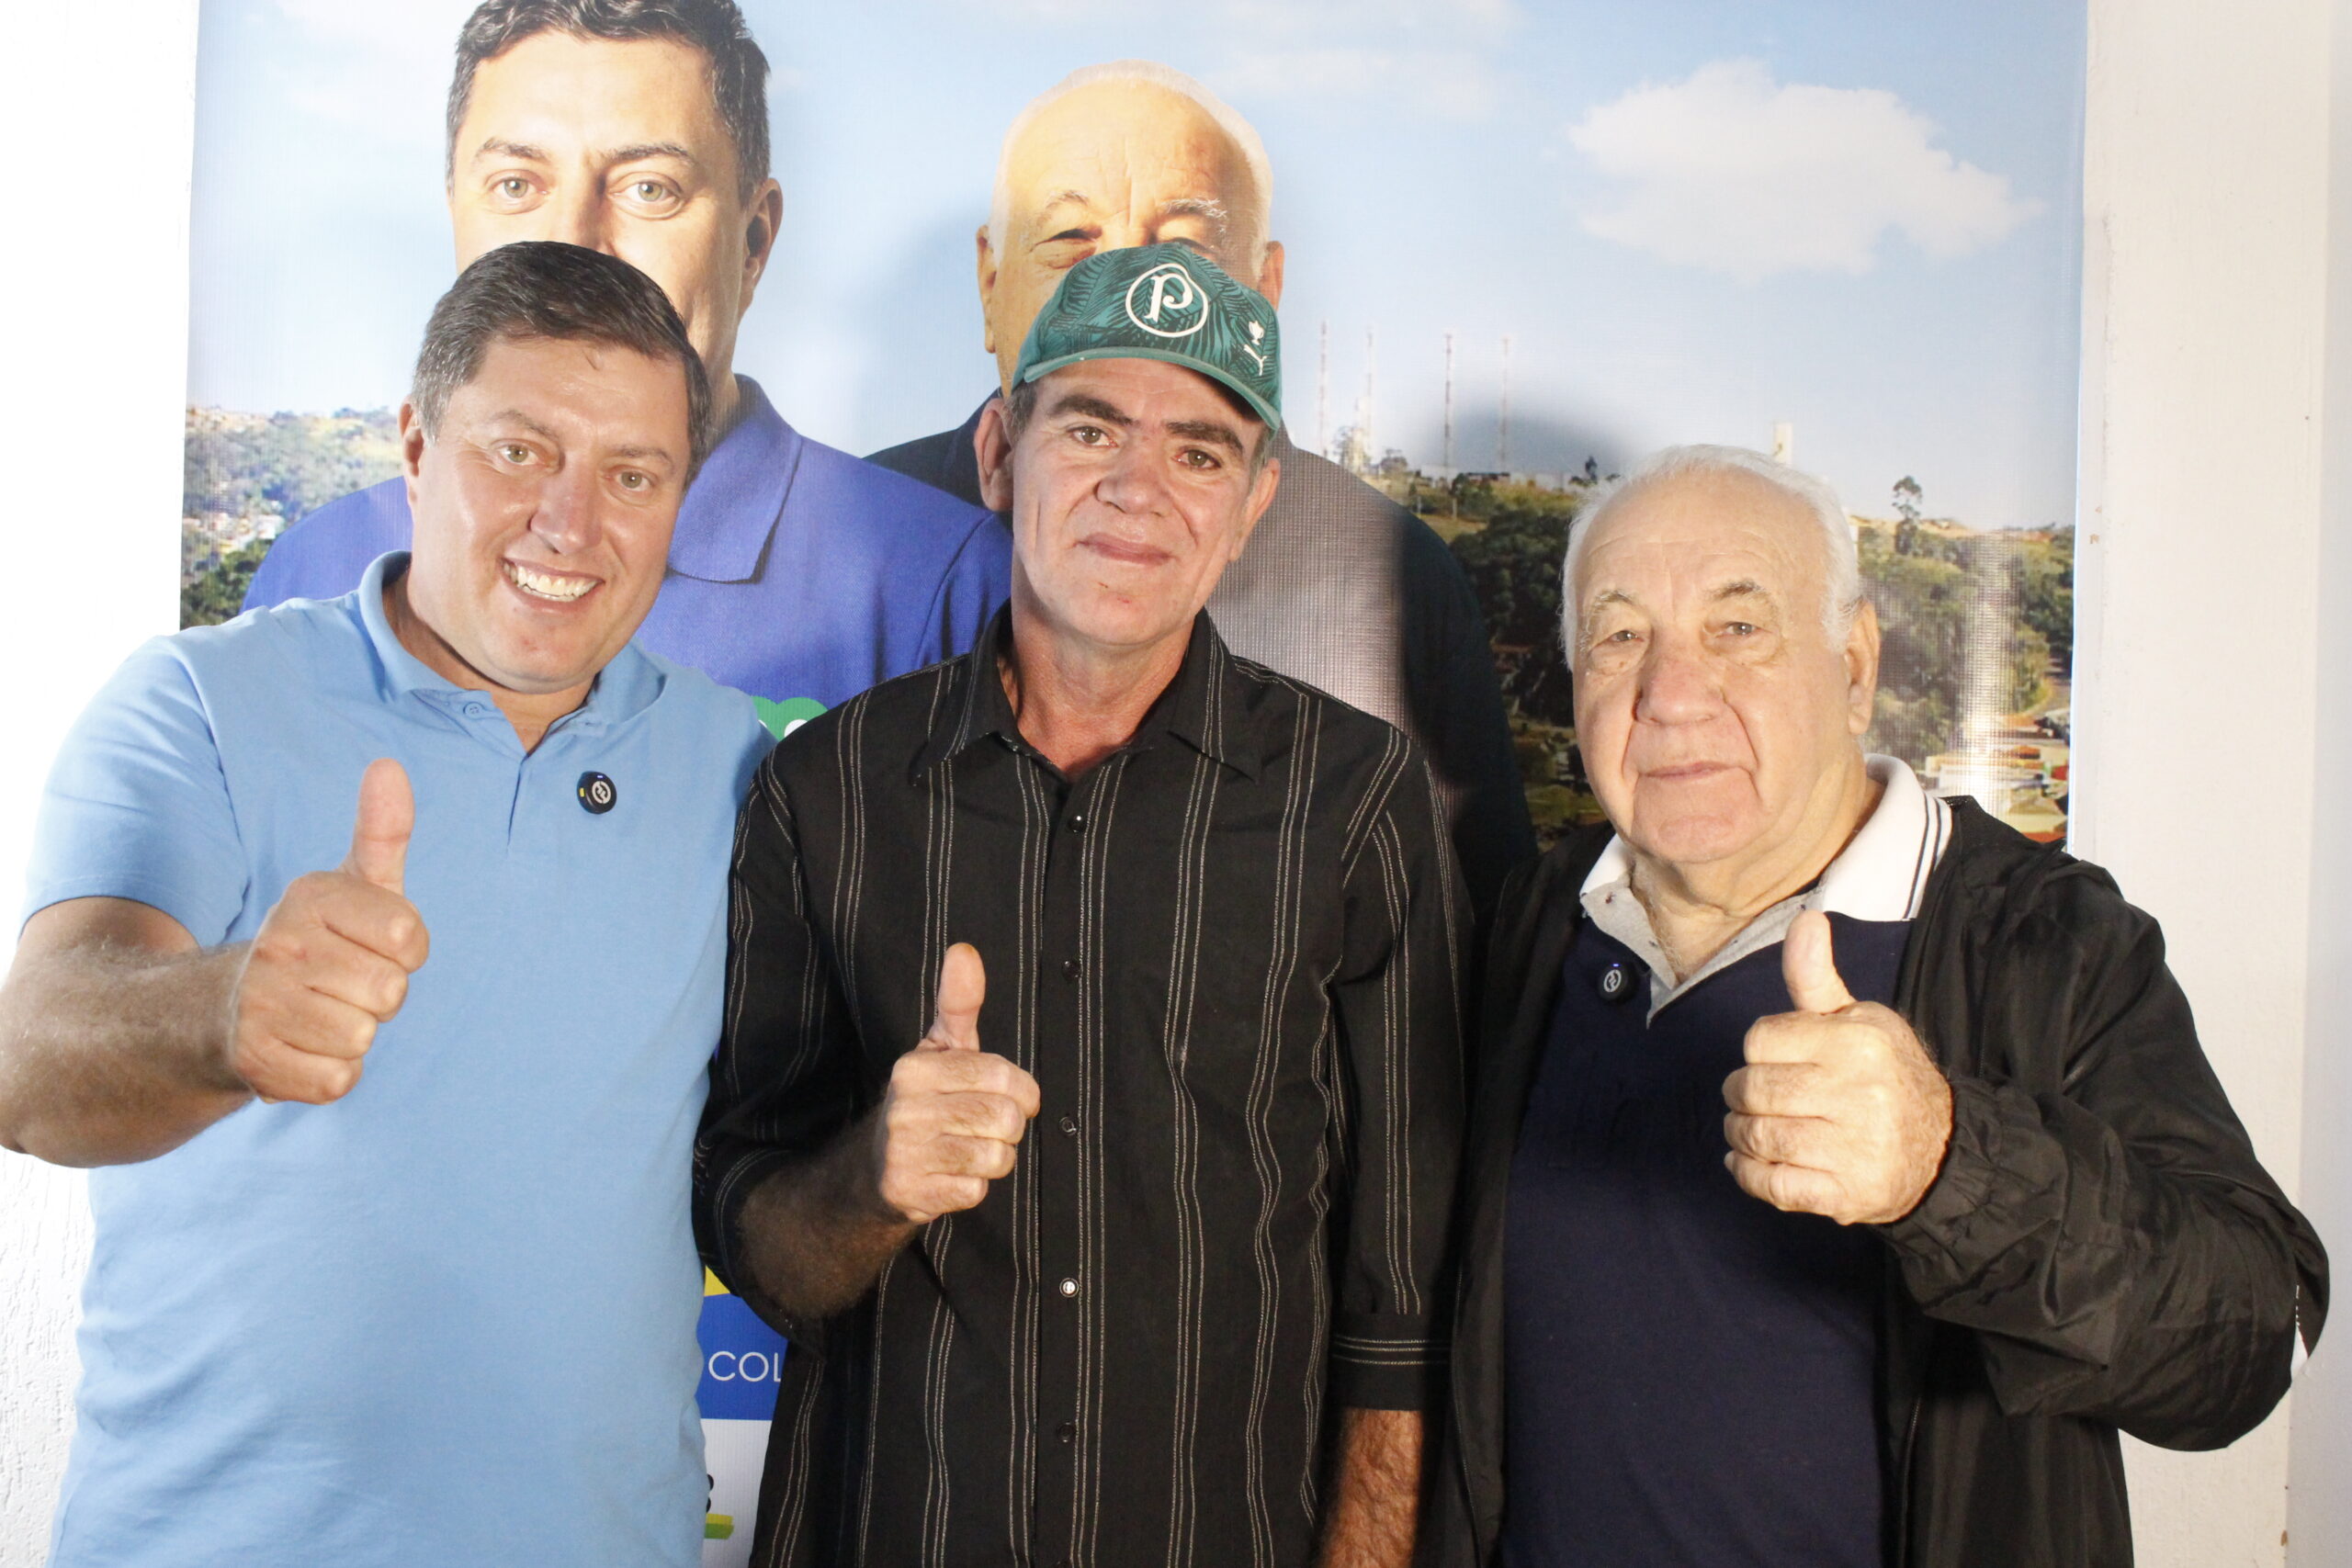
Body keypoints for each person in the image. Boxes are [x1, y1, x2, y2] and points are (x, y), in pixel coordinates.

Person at [0, 243, 773, 1567]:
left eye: (632, 475)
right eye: (520, 451)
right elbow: (29, 1060)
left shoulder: (736, 762)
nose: (570, 522)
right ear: (416, 445)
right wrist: (222, 1012)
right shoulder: (199, 701)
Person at [695, 244, 1467, 1568]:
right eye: (1092, 427)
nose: (1136, 488)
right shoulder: (826, 789)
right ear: (1001, 454)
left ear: (1254, 503)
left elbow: (1401, 1286)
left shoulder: (1352, 794)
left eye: (1199, 451)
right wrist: (873, 1177)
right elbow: (754, 1234)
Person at [1425, 445, 2328, 1568]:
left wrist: (1951, 1165)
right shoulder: (1536, 919)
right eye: (1619, 637)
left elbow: (2248, 1345)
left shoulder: (2043, 941)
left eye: (1736, 627)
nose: (1670, 695)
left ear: (1853, 668)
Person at [866, 60, 1533, 912]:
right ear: (991, 282)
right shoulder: (858, 526)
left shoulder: (1391, 575)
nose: (1126, 291)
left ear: (1265, 291)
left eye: (1183, 251)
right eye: (1070, 241)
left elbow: (1473, 943)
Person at [245, 0, 1009, 713]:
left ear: (752, 242)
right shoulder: (315, 571)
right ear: (454, 212)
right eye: (515, 184)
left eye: (650, 189)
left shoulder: (942, 588)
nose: (571, 246)